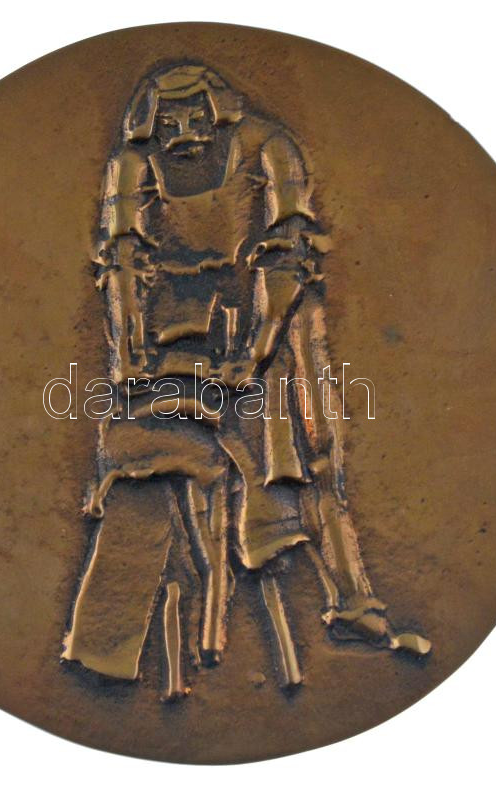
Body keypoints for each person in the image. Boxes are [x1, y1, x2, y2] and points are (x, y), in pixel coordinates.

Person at [61, 64, 429, 700]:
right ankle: (110, 642)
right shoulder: (131, 165)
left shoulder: (271, 149)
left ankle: (350, 601)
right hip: (171, 323)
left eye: (195, 118)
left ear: (220, 111)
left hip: (267, 317)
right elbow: (119, 262)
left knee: (309, 449)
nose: (183, 134)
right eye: (168, 122)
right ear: (149, 122)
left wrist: (255, 354)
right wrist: (127, 358)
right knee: (142, 448)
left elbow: (287, 255)